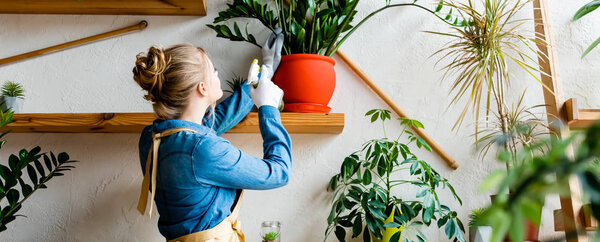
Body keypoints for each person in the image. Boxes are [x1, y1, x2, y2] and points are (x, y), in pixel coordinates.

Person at [132, 31, 291, 242]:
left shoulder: (151, 138)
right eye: (214, 71)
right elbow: (279, 172)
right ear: (203, 87)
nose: (217, 73)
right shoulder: (202, 149)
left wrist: (263, 74)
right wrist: (269, 108)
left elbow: (207, 124)